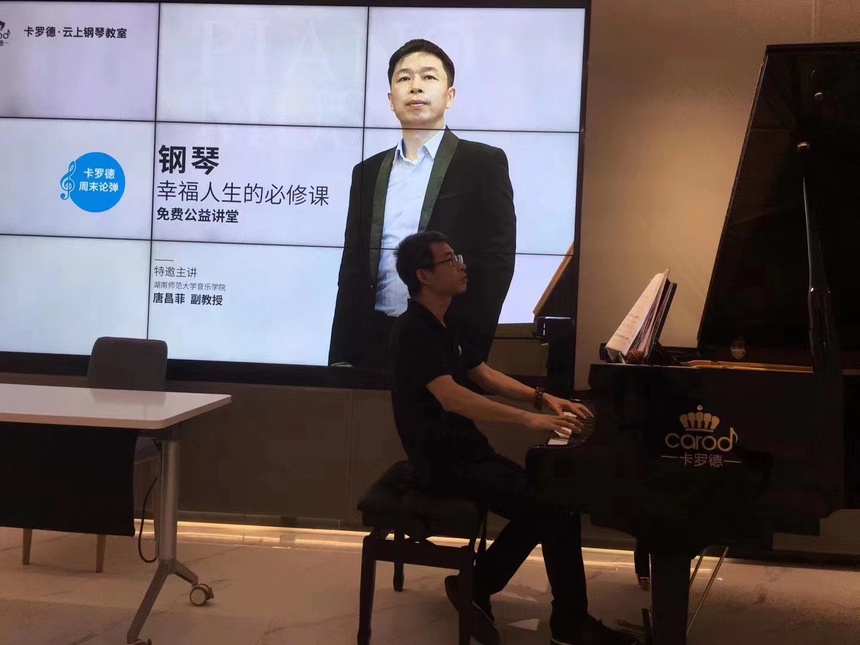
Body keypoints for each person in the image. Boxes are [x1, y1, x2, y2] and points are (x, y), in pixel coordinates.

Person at [387, 230, 635, 645]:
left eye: (457, 256)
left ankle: (482, 586)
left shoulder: (446, 320)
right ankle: (562, 622)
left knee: (552, 504)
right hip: (442, 464)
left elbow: (482, 374)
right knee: (554, 507)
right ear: (424, 276)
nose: (462, 265)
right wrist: (528, 420)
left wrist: (543, 398)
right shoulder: (413, 330)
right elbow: (452, 398)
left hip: (467, 453)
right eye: (450, 260)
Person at [329, 38, 516, 369]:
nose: (415, 86)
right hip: (373, 339)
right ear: (391, 100)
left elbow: (497, 261)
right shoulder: (367, 172)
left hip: (446, 337)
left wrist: (469, 345)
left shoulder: (483, 163)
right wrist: (341, 353)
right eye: (404, 78)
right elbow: (352, 268)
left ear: (450, 96)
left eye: (428, 77)